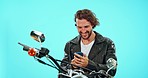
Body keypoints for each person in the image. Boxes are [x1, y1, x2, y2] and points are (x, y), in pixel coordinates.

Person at [59, 9, 117, 78]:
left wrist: (88, 64)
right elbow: (61, 70)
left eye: (86, 27)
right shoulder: (70, 45)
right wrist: (72, 65)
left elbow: (112, 70)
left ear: (92, 24)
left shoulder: (107, 43)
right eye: (79, 27)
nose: (83, 30)